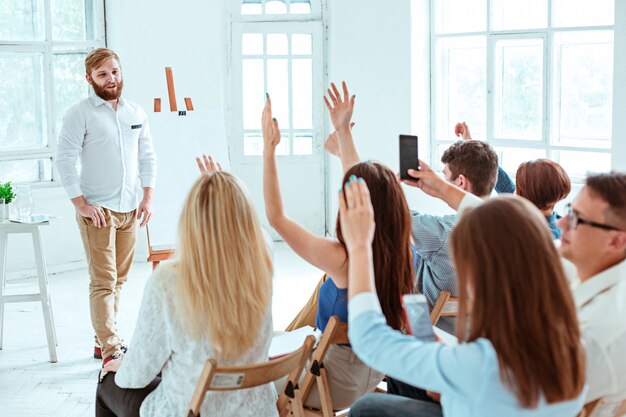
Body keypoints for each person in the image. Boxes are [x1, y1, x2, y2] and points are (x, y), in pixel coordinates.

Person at [341, 172, 587, 417]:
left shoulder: (479, 365)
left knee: (366, 408)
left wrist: (360, 246)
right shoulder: (571, 346)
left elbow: (370, 339)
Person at [263, 83, 415, 410]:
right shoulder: (403, 251)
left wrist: (269, 149)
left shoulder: (342, 260)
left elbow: (276, 218)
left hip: (331, 382)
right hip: (372, 371)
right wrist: (343, 132)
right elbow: (366, 191)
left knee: (251, 376)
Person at [94, 158, 277, 417]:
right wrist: (227, 190)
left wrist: (119, 365)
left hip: (194, 410)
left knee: (107, 382)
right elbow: (257, 232)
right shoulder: (263, 258)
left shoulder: (169, 281)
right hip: (255, 409)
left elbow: (135, 377)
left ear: (190, 220)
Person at [55, 48, 157, 363]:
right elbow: (64, 159)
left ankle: (102, 340)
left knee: (120, 279)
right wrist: (81, 204)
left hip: (129, 210)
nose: (111, 79)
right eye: (102, 74)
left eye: (114, 71)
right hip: (98, 212)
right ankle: (111, 347)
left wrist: (147, 196)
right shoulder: (80, 114)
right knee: (103, 281)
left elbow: (147, 156)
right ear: (89, 79)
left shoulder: (135, 112)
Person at [557, 172, 626, 403]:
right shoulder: (594, 270)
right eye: (569, 211)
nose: (561, 222)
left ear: (617, 241)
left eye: (577, 218)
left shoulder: (594, 337)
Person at [455, 122, 571, 239]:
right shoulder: (545, 214)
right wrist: (469, 142)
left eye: (519, 187)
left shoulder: (539, 237)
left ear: (526, 196)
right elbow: (498, 176)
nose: (514, 189)